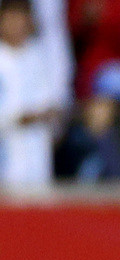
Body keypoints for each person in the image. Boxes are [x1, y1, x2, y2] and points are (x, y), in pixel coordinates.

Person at [0, 0, 61, 188]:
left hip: (37, 158)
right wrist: (18, 117)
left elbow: (52, 103)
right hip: (6, 155)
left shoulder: (39, 56)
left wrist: (46, 114)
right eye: (11, 18)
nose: (16, 24)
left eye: (21, 17)